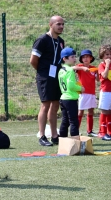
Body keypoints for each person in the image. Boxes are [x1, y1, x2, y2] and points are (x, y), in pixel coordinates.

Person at [30, 16, 65, 146]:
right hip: (45, 76)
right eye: (58, 24)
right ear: (50, 24)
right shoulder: (42, 40)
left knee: (55, 105)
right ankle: (42, 136)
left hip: (57, 76)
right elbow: (33, 61)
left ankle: (55, 136)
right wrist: (43, 72)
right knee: (46, 105)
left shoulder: (61, 41)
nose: (61, 26)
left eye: (62, 24)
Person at [58, 47, 84, 139]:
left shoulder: (61, 70)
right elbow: (71, 86)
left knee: (65, 121)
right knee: (74, 121)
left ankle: (62, 140)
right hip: (70, 99)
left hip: (63, 98)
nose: (74, 59)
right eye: (72, 57)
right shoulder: (69, 70)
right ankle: (75, 142)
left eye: (74, 57)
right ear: (65, 59)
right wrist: (81, 88)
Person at [74, 49, 99, 137]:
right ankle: (76, 131)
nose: (85, 59)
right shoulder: (80, 66)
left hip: (92, 93)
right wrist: (82, 68)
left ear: (91, 58)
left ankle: (90, 131)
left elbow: (98, 79)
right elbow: (73, 68)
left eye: (87, 57)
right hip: (83, 93)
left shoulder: (94, 68)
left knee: (91, 111)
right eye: (83, 57)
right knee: (80, 112)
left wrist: (98, 72)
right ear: (81, 59)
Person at [97, 44, 111, 141]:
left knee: (109, 111)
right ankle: (102, 132)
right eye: (106, 54)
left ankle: (109, 132)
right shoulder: (101, 65)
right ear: (102, 56)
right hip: (105, 91)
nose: (109, 56)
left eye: (110, 54)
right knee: (104, 111)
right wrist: (107, 65)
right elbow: (105, 76)